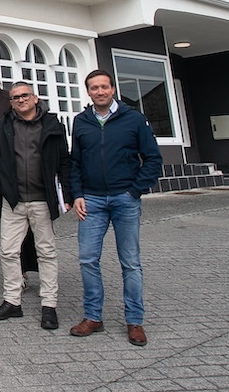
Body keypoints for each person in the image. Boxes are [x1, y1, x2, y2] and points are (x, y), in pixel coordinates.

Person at [69, 69, 163, 346]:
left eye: (104, 87)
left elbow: (153, 159)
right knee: (87, 259)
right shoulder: (81, 121)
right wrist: (77, 194)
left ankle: (135, 321)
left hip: (125, 199)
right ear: (88, 92)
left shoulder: (133, 119)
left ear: (112, 89)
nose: (99, 92)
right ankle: (93, 317)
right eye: (94, 88)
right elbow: (75, 162)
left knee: (131, 263)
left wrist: (135, 190)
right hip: (92, 201)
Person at [0, 81, 72, 330]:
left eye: (24, 96)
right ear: (11, 102)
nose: (20, 100)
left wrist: (67, 193)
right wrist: (1, 189)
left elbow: (64, 161)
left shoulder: (52, 125)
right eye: (15, 98)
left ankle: (49, 306)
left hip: (43, 200)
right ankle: (12, 302)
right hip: (14, 201)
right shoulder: (2, 127)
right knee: (9, 252)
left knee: (46, 252)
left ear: (35, 98)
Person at [0, 62, 39, 278]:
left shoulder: (11, 100)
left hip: (17, 170)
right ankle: (16, 272)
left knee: (28, 224)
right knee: (6, 224)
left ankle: (32, 266)